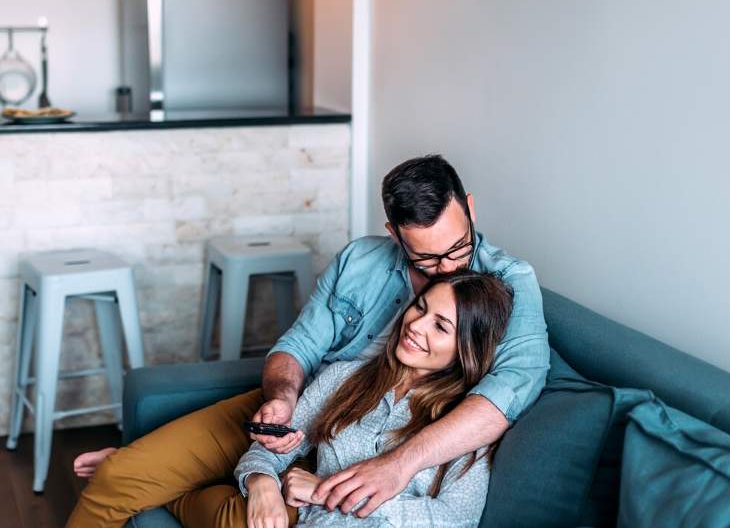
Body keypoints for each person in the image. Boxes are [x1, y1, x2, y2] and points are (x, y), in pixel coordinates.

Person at [68, 155, 549, 527]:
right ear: (395, 236)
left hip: (347, 457)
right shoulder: (360, 261)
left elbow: (508, 393)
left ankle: (173, 476)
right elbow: (297, 347)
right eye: (428, 260)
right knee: (118, 477)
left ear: (469, 206)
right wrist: (282, 399)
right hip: (309, 408)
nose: (449, 268)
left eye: (458, 249)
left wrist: (396, 467)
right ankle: (157, 467)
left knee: (244, 517)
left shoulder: (507, 286)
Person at [239, 270, 512, 528]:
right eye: (420, 307)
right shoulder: (342, 377)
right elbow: (275, 445)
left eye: (440, 326)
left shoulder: (467, 421)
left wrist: (328, 492)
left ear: (467, 349)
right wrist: (260, 481)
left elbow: (458, 518)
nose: (416, 325)